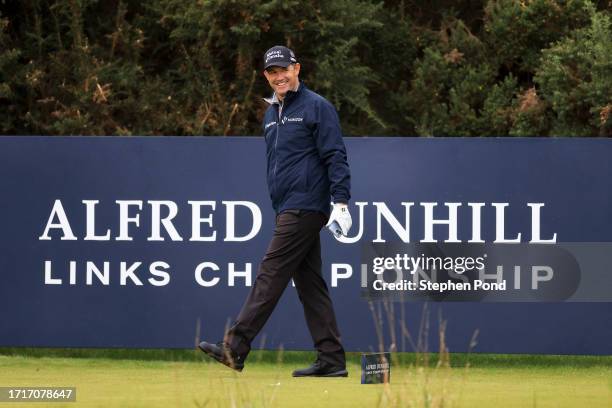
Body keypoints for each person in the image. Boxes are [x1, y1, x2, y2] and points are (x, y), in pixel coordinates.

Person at [199, 45, 352, 377]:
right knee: (310, 284)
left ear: (297, 69)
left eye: (284, 69)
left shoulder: (316, 107)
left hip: (306, 205)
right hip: (287, 206)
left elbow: (335, 155)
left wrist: (341, 202)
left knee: (270, 274)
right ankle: (332, 359)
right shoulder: (272, 113)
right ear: (266, 76)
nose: (279, 76)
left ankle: (235, 348)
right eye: (272, 72)